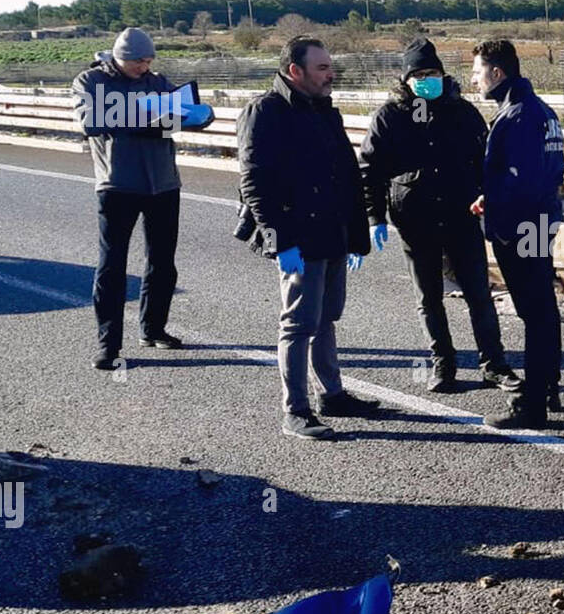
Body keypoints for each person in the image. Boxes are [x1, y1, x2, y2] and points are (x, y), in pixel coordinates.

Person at [236, 36, 381, 440]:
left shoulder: (323, 109)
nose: (330, 73)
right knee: (298, 324)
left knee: (326, 319)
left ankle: (332, 394)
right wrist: (279, 241)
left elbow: (346, 172)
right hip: (297, 238)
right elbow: (254, 182)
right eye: (322, 68)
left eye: (329, 66)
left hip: (332, 232)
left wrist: (357, 231)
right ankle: (295, 410)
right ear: (294, 71)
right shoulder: (265, 112)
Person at [361, 38, 521, 394]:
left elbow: (488, 162)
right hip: (415, 222)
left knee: (479, 294)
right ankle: (442, 366)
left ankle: (494, 365)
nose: (425, 79)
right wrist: (375, 218)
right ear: (406, 79)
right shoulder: (390, 117)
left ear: (442, 74)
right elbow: (369, 169)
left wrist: (489, 197)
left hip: (461, 217)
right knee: (429, 298)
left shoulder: (462, 112)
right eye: (417, 74)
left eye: (431, 72)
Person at [72, 27, 212, 371]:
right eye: (137, 61)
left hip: (163, 184)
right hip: (117, 184)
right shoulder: (91, 82)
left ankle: (153, 328)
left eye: (149, 60)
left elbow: (181, 114)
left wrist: (201, 115)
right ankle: (109, 344)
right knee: (112, 266)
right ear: (119, 57)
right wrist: (146, 117)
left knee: (162, 262)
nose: (144, 66)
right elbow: (91, 120)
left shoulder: (158, 80)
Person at [469, 39, 564, 429]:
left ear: (497, 73)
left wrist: (505, 226)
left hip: (523, 227)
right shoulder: (541, 110)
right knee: (543, 310)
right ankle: (547, 387)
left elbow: (522, 181)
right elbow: (545, 170)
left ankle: (533, 406)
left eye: (477, 73)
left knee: (534, 313)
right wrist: (490, 196)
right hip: (540, 220)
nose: (473, 80)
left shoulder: (518, 115)